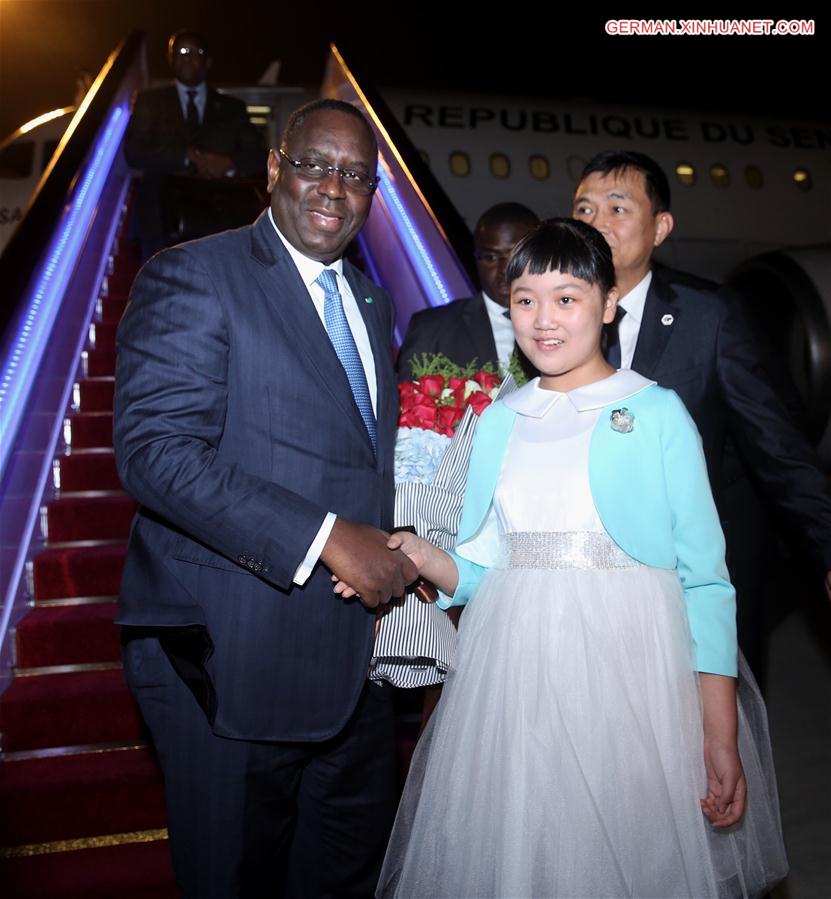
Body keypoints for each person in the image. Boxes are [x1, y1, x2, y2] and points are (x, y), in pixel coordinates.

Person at [356, 219, 787, 898]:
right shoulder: (499, 417)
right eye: (525, 299)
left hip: (632, 679)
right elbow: (480, 569)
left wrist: (719, 731)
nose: (543, 319)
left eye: (566, 298)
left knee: (633, 856)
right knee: (523, 855)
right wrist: (418, 554)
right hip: (513, 680)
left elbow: (705, 578)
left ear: (608, 304)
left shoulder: (656, 412)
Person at [114, 99, 417, 898]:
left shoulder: (372, 299)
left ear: (372, 194)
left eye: (354, 174)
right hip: (231, 662)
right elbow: (156, 454)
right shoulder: (193, 274)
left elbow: (353, 459)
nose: (332, 186)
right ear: (276, 169)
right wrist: (325, 536)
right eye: (315, 163)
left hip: (356, 672)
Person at [572, 150, 831, 677]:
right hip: (583, 578)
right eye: (583, 211)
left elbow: (776, 443)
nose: (596, 223)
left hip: (685, 577)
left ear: (660, 227)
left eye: (617, 208)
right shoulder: (555, 317)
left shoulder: (710, 316)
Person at [124, 30, 265, 258]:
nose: (188, 57)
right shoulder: (149, 101)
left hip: (218, 220)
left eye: (196, 52)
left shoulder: (232, 108)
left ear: (208, 61)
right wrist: (184, 155)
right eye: (182, 52)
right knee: (162, 290)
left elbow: (258, 155)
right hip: (159, 220)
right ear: (171, 59)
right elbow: (133, 151)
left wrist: (228, 163)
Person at [396, 202, 538, 379]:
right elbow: (409, 402)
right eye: (490, 258)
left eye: (515, 256)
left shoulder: (567, 323)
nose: (504, 269)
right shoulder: (431, 329)